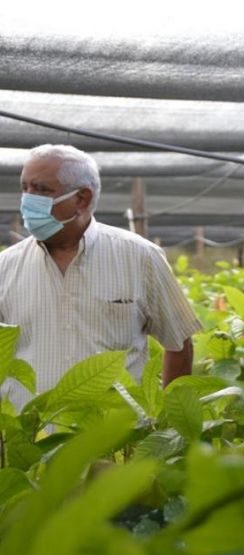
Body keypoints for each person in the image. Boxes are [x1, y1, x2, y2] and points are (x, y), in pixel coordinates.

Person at [0, 144, 201, 409]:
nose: (28, 199)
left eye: (41, 189)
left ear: (82, 199)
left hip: (114, 432)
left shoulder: (141, 257)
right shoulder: (5, 265)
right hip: (29, 431)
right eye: (25, 188)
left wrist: (167, 418)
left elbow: (179, 344)